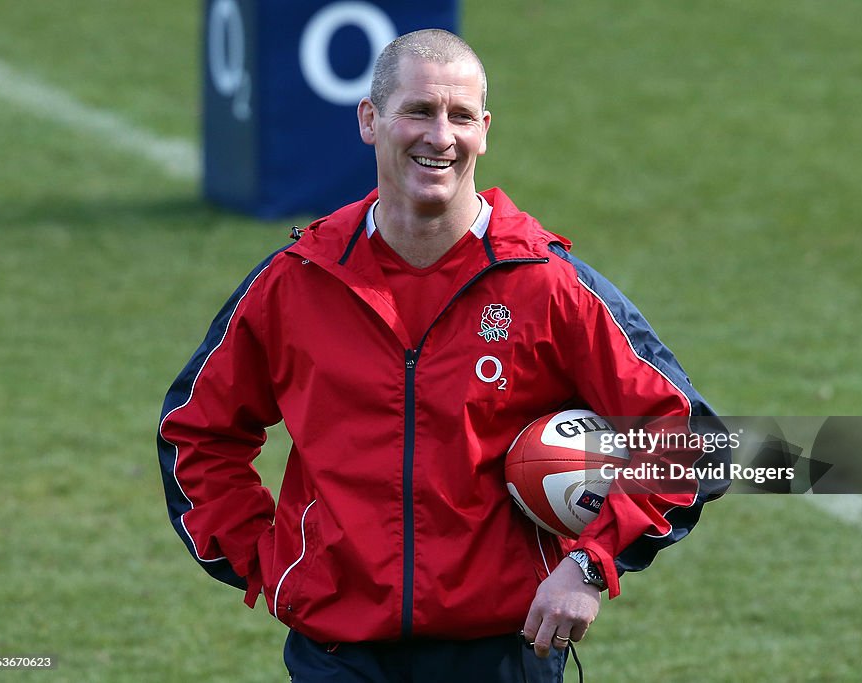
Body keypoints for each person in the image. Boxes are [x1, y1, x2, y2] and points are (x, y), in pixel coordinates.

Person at [158, 28, 728, 683]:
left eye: (460, 115)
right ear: (370, 120)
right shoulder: (298, 280)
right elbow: (197, 431)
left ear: (485, 130)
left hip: (504, 653)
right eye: (419, 111)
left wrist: (589, 563)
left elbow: (691, 438)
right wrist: (273, 559)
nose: (441, 136)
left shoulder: (547, 283)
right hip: (341, 654)